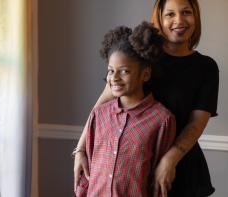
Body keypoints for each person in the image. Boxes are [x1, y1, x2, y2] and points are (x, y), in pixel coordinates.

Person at [73, 0, 219, 197]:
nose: (179, 20)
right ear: (159, 18)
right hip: (136, 168)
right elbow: (102, 106)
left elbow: (196, 124)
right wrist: (81, 149)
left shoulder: (206, 67)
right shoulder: (142, 55)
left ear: (196, 17)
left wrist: (168, 161)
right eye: (170, 14)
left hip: (181, 166)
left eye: (186, 12)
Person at [74, 21, 176, 197]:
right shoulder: (99, 115)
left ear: (145, 74)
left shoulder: (162, 120)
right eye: (110, 71)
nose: (114, 78)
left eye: (124, 71)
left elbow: (157, 178)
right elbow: (88, 170)